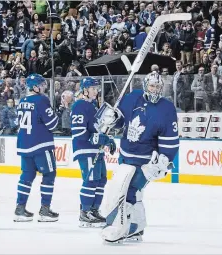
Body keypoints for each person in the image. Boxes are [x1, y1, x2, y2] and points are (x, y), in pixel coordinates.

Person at [98, 71, 179, 243]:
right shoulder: (132, 97)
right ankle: (136, 226)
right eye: (152, 86)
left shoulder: (167, 108)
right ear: (145, 86)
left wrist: (163, 162)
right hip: (126, 155)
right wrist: (113, 119)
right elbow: (121, 122)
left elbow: (170, 141)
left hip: (146, 160)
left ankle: (116, 227)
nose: (155, 90)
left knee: (127, 191)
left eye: (158, 86)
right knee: (131, 192)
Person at [71, 77, 116, 227]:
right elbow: (78, 131)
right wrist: (98, 138)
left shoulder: (93, 107)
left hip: (96, 150)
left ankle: (94, 210)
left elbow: (98, 130)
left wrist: (107, 139)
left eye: (97, 88)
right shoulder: (79, 105)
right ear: (85, 90)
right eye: (93, 88)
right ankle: (85, 212)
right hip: (85, 149)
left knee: (101, 179)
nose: (96, 91)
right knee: (90, 180)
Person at [14, 73, 59, 222]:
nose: (43, 87)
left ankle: (19, 209)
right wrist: (54, 111)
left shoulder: (22, 101)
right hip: (40, 145)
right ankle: (45, 210)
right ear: (34, 87)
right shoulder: (41, 100)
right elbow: (52, 124)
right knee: (49, 174)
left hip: (24, 144)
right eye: (41, 85)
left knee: (26, 177)